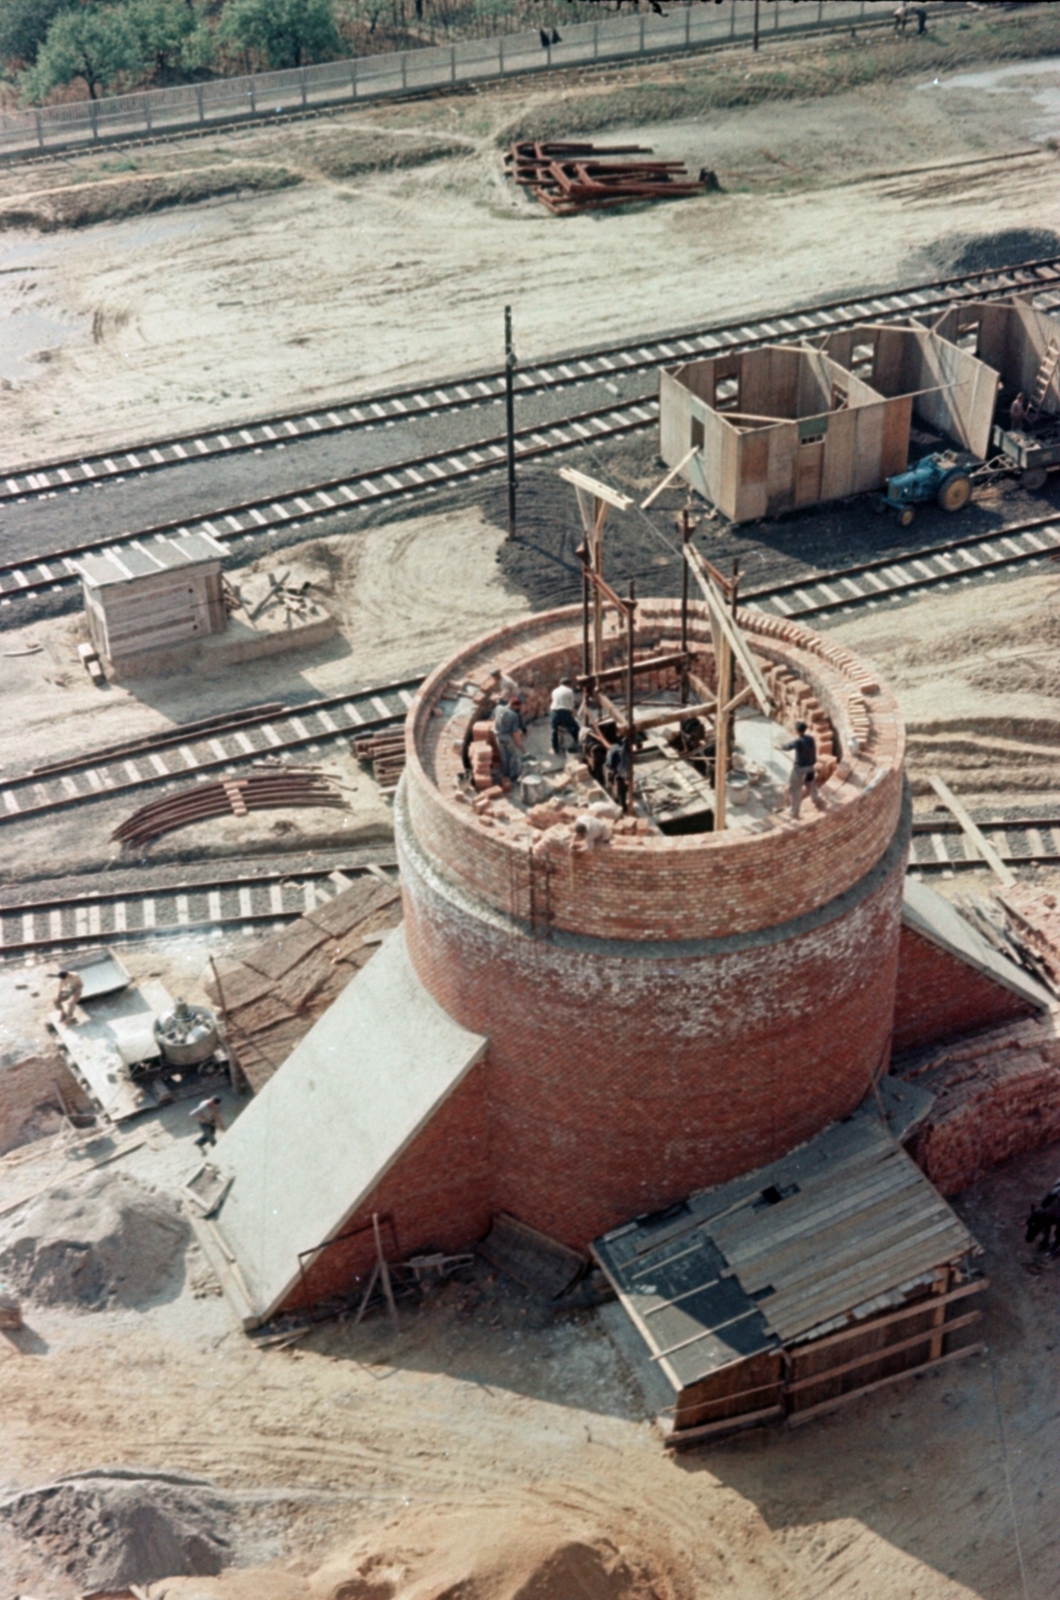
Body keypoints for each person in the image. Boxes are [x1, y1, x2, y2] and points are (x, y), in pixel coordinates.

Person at [782, 720, 825, 820]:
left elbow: (787, 747)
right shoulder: (811, 739)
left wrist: (779, 746)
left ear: (797, 731)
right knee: (811, 785)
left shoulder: (798, 741)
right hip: (810, 767)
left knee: (795, 790)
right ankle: (817, 801)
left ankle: (794, 812)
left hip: (800, 770)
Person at [493, 694, 527, 782]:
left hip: (498, 736)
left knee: (503, 755)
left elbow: (495, 718)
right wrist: (518, 742)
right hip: (508, 738)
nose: (517, 708)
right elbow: (515, 732)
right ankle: (512, 776)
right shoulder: (513, 715)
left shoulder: (498, 708)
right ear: (514, 705)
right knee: (512, 756)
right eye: (517, 707)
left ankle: (505, 773)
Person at [550, 678, 580, 757]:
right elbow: (571, 706)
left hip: (554, 712)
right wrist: (575, 714)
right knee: (575, 728)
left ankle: (555, 748)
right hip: (564, 712)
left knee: (554, 731)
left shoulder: (554, 691)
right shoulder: (569, 691)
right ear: (568, 684)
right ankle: (579, 743)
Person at [606, 734, 634, 812]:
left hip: (619, 773)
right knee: (620, 792)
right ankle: (621, 806)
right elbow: (612, 766)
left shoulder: (621, 753)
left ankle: (622, 805)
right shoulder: (615, 755)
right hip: (616, 774)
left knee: (622, 792)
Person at [579, 721, 608, 786]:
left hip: (586, 748)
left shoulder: (582, 729)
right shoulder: (587, 730)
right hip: (591, 751)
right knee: (598, 770)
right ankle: (600, 782)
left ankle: (597, 778)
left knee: (594, 766)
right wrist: (599, 739)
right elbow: (591, 734)